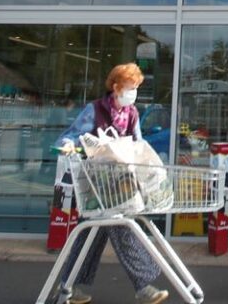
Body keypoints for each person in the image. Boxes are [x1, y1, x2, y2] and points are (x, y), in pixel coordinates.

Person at [63, 63, 169, 304]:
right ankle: (144, 287)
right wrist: (70, 145)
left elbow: (138, 144)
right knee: (122, 229)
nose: (133, 92)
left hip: (120, 183)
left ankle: (69, 288)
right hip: (96, 183)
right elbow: (72, 136)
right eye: (130, 87)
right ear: (116, 86)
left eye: (136, 87)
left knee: (91, 235)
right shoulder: (95, 110)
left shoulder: (132, 114)